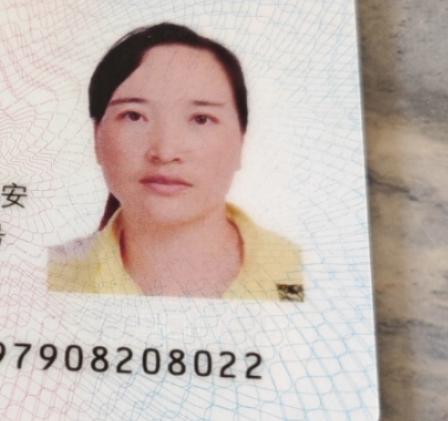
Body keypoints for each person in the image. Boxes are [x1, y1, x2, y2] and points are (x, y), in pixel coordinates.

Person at [47, 22, 304, 300]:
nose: (165, 151)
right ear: (97, 135)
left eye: (201, 119)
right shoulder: (50, 274)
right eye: (134, 116)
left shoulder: (301, 271)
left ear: (241, 140)